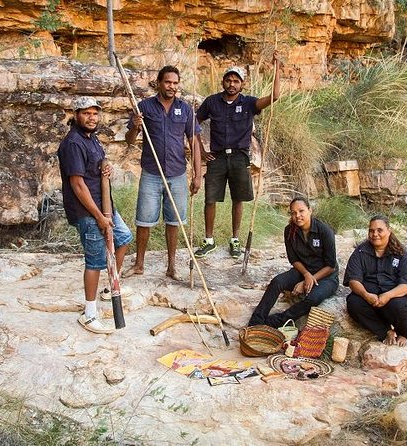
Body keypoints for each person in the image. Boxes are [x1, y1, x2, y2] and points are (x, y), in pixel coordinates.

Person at [58, 96, 133, 334]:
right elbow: (78, 185)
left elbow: (100, 162)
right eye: (86, 113)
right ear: (76, 115)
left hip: (105, 205)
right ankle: (89, 314)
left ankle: (111, 286)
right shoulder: (73, 143)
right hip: (88, 210)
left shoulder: (91, 139)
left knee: (123, 238)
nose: (92, 118)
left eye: (95, 113)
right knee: (94, 262)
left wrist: (106, 165)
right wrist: (99, 217)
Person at [194, 53, 281, 259]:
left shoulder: (249, 103)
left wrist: (277, 67)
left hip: (241, 157)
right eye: (228, 80)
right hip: (217, 157)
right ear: (223, 81)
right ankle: (209, 240)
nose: (231, 84)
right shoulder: (212, 102)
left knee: (238, 198)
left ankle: (235, 240)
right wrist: (201, 149)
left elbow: (275, 97)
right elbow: (192, 123)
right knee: (210, 198)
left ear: (242, 84)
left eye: (236, 81)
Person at [122, 65, 201, 280]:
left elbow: (194, 141)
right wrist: (135, 127)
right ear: (159, 82)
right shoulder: (144, 107)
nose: (172, 87)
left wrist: (197, 174)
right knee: (144, 221)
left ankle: (172, 267)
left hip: (177, 174)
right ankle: (139, 264)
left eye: (175, 83)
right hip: (151, 172)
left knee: (174, 222)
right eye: (168, 82)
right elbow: (129, 141)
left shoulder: (185, 109)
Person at [248, 197, 339, 328]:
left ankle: (277, 321)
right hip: (302, 271)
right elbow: (294, 260)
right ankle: (255, 322)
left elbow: (330, 266)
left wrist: (309, 280)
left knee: (313, 298)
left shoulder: (324, 231)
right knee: (277, 282)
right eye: (293, 212)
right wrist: (306, 275)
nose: (297, 216)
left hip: (326, 277)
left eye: (301, 211)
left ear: (310, 210)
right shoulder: (289, 231)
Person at [343, 215, 407, 347]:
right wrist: (366, 294)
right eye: (371, 231)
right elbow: (353, 280)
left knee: (399, 306)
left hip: (393, 297)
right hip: (369, 298)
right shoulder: (360, 252)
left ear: (389, 230)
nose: (375, 234)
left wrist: (388, 295)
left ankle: (404, 333)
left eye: (379, 230)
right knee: (353, 302)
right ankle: (385, 331)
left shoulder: (402, 253)